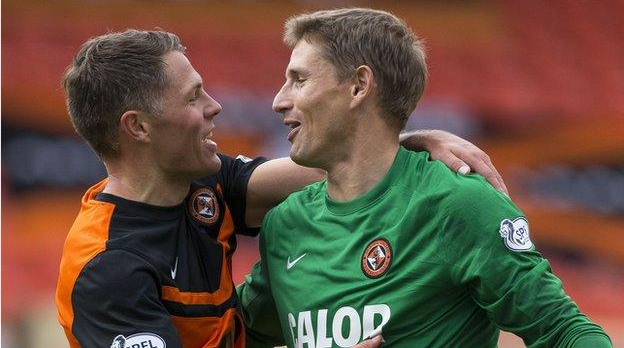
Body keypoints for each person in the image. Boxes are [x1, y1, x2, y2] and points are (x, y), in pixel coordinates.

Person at [54, 29, 505, 348]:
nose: (215, 107)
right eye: (193, 98)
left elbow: (343, 164)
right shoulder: (107, 268)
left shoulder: (203, 187)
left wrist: (413, 139)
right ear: (138, 127)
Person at [238, 8, 612, 348]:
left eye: (299, 80)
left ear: (358, 86)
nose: (278, 101)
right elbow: (232, 338)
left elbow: (565, 332)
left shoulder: (457, 203)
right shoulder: (285, 225)